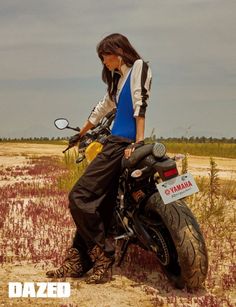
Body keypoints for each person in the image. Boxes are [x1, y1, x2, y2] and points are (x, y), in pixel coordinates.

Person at [46, 33, 152, 283]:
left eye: (104, 56)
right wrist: (79, 135)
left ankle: (103, 254)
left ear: (117, 52)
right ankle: (78, 260)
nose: (103, 61)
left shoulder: (138, 67)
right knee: (99, 203)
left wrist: (137, 142)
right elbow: (102, 108)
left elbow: (141, 104)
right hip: (113, 143)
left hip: (122, 144)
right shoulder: (117, 80)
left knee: (79, 196)